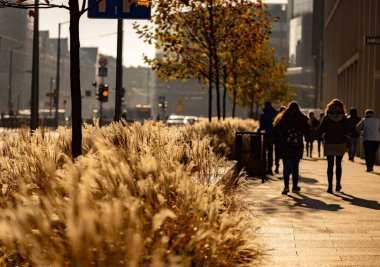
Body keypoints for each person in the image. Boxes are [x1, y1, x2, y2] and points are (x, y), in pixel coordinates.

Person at [273, 102, 310, 195]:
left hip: (285, 145)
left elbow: (275, 130)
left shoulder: (283, 118)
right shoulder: (302, 118)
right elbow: (308, 132)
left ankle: (286, 187)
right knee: (295, 167)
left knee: (286, 167)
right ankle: (294, 187)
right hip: (297, 146)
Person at [317, 99, 349, 193]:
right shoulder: (343, 118)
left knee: (330, 165)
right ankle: (338, 184)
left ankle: (330, 186)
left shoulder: (327, 118)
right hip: (340, 143)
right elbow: (347, 131)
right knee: (338, 164)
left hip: (329, 143)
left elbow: (320, 130)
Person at [258, 101, 278, 175]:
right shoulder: (276, 114)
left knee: (264, 151)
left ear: (265, 106)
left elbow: (262, 126)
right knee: (271, 152)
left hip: (266, 135)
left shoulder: (263, 115)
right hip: (274, 135)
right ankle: (271, 168)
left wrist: (258, 131)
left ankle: (264, 168)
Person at [274, 105, 286, 174]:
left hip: (278, 139)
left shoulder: (277, 119)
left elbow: (275, 129)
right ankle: (285, 167)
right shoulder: (286, 119)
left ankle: (277, 167)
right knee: (284, 154)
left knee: (277, 154)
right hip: (283, 139)